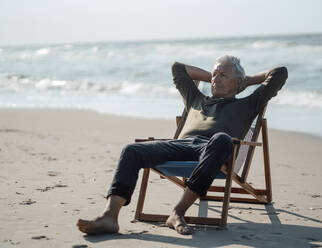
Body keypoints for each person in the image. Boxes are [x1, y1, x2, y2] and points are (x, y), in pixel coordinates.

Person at [77, 55, 288, 235]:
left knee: (222, 138)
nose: (215, 79)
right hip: (181, 145)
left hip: (214, 149)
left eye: (223, 75)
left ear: (238, 82)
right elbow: (177, 68)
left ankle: (177, 212)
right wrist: (215, 76)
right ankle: (110, 217)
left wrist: (247, 81)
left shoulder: (247, 104)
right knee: (131, 150)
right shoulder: (195, 98)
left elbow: (280, 72)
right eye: (214, 75)